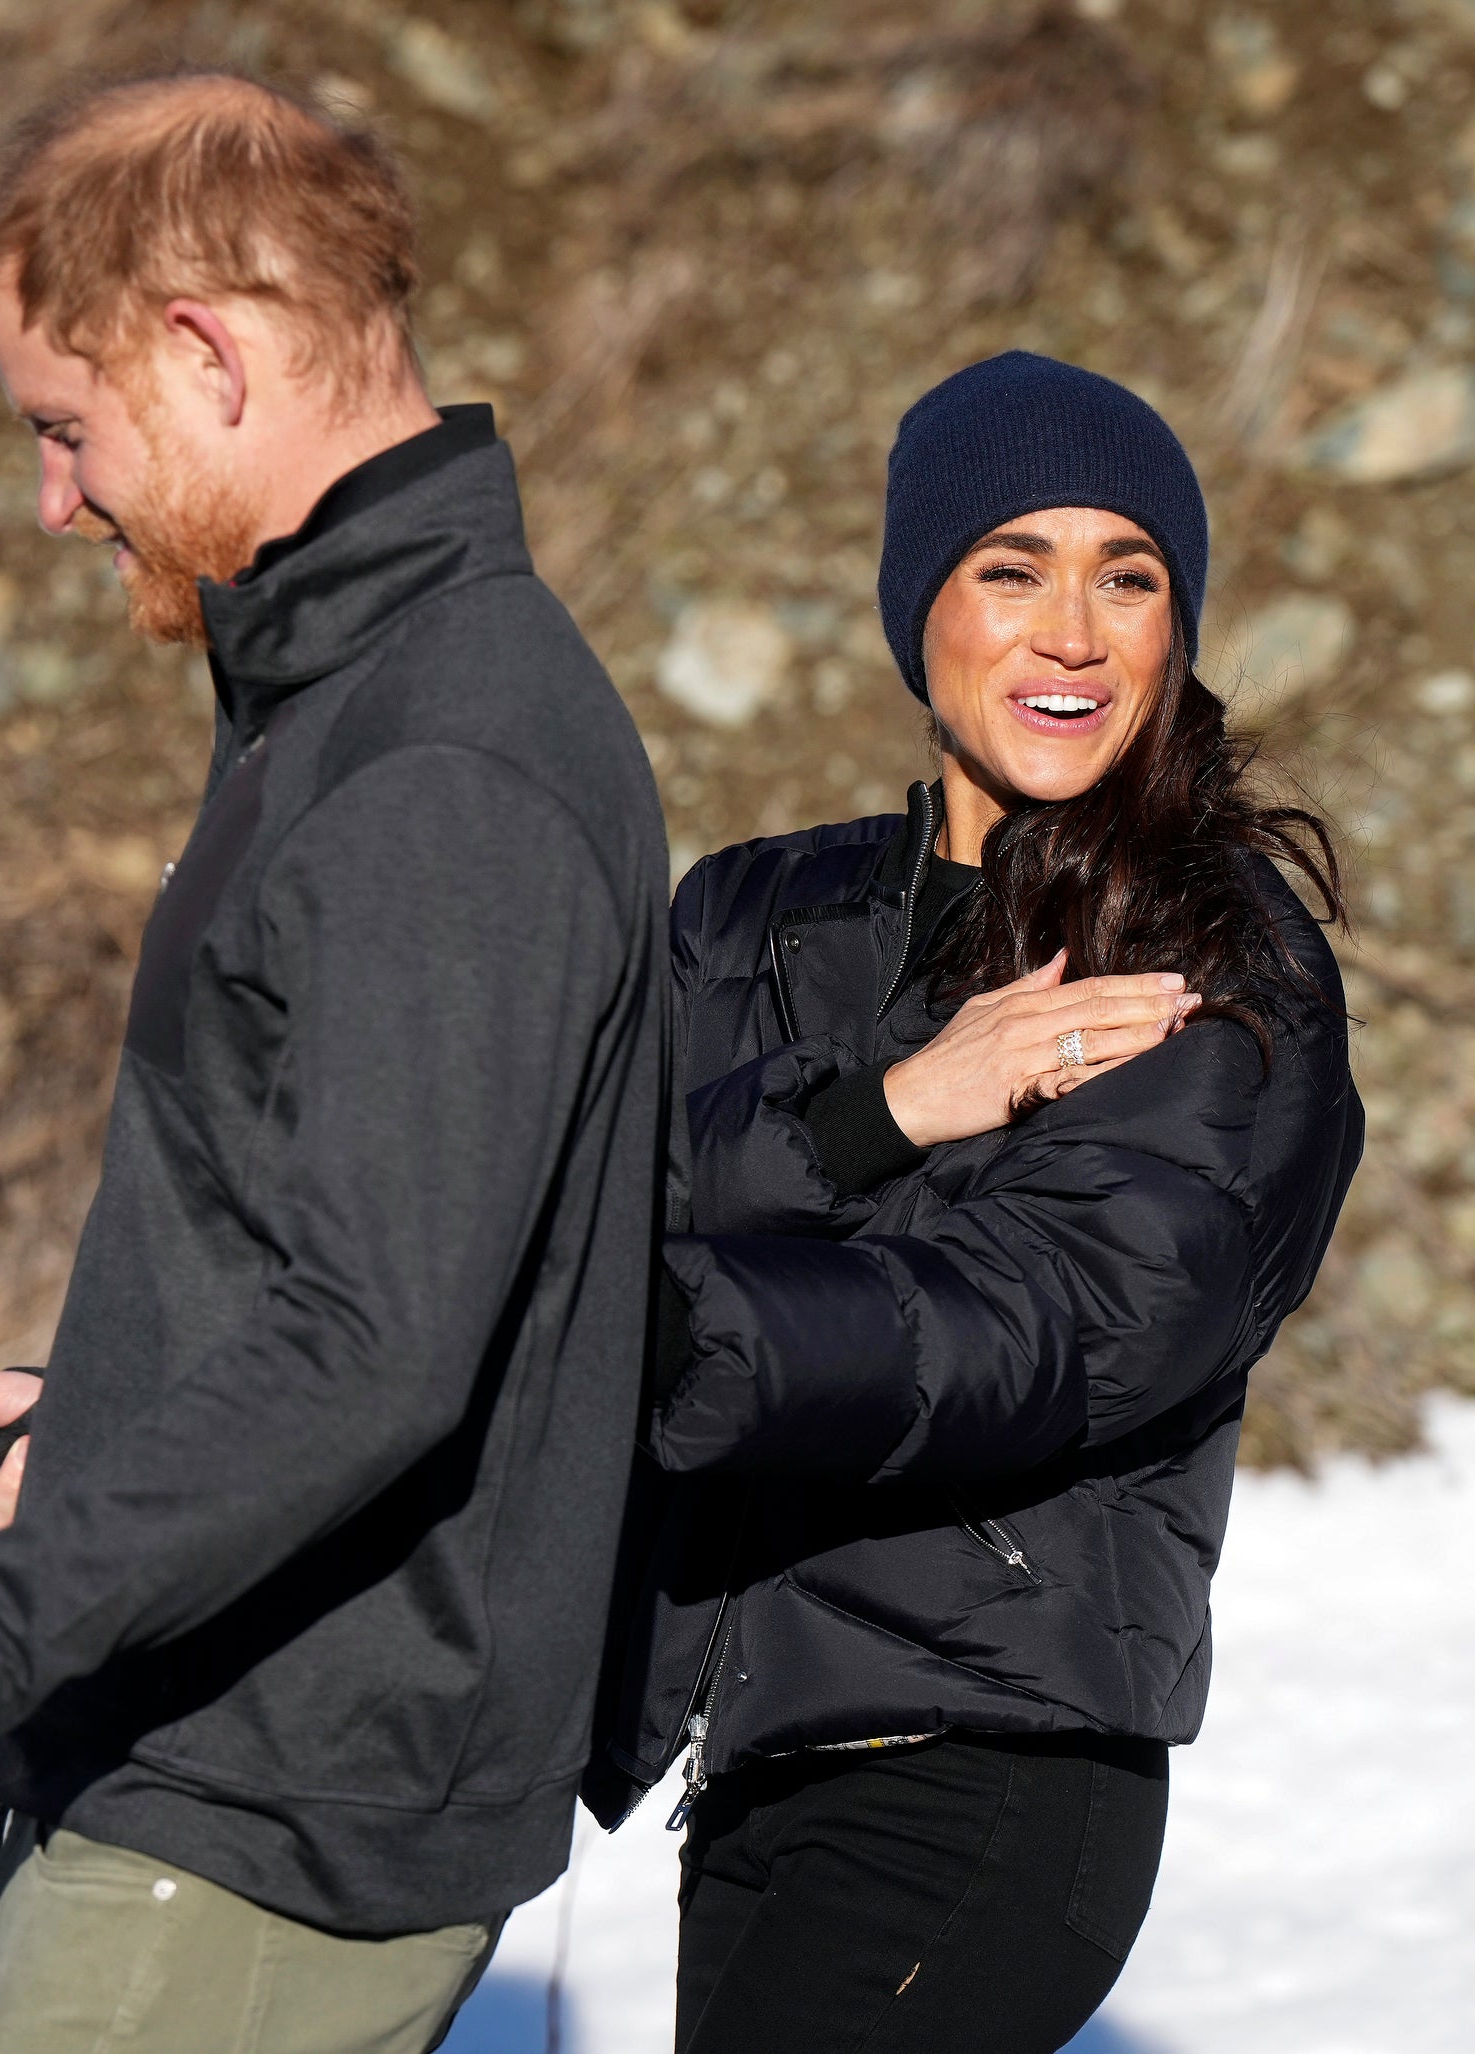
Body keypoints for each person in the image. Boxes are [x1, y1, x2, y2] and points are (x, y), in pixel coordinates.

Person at [0, 70, 669, 2054]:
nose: (53, 497)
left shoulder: (438, 758)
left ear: (202, 353)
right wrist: (119, 1380)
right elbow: (373, 1240)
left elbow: (372, 1346)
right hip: (231, 1764)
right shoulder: (360, 694)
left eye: (63, 426)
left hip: (259, 1818)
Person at [587, 352, 1366, 2054]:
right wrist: (878, 1115)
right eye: (1013, 568)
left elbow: (1059, 1318)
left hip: (996, 1764)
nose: (1075, 633)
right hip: (754, 1761)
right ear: (917, 606)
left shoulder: (1210, 951)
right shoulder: (750, 919)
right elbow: (574, 1193)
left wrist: (667, 1323)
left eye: (1129, 577)